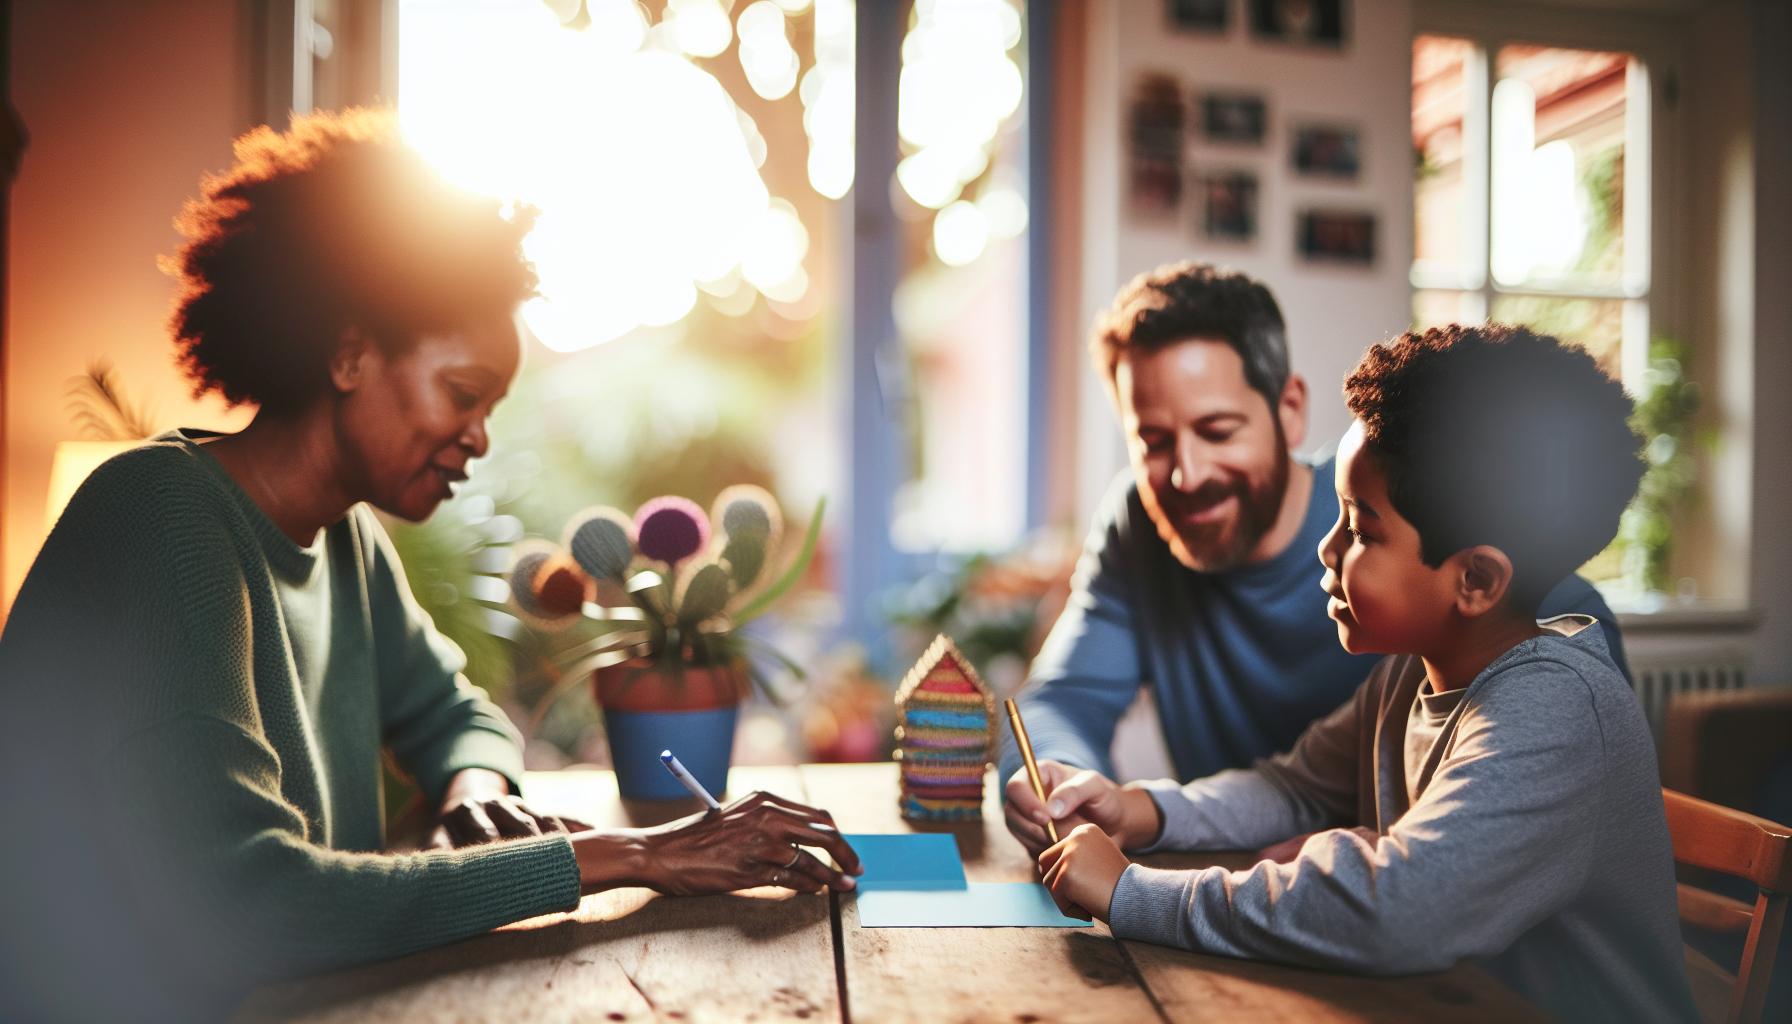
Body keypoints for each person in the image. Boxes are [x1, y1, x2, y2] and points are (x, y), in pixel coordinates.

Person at [0, 109, 860, 1023]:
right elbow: (245, 904)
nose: (478, 437)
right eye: (462, 394)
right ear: (348, 353)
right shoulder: (161, 517)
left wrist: (473, 791)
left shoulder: (346, 540)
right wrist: (639, 854)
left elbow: (456, 713)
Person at [1032, 324, 1696, 1022]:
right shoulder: (1414, 674)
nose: (1327, 548)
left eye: (1360, 529)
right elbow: (1293, 787)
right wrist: (1142, 808)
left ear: (1475, 579)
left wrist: (1130, 892)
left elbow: (1401, 911)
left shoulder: (1555, 709)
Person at [1000, 262, 1628, 856]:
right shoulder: (1141, 521)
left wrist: (1361, 855)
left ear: (1290, 409)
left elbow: (1560, 622)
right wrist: (1072, 792)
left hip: (1384, 909)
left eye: (1218, 431)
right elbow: (1061, 700)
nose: (1187, 475)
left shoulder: (1394, 507)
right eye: (1154, 442)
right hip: (1254, 889)